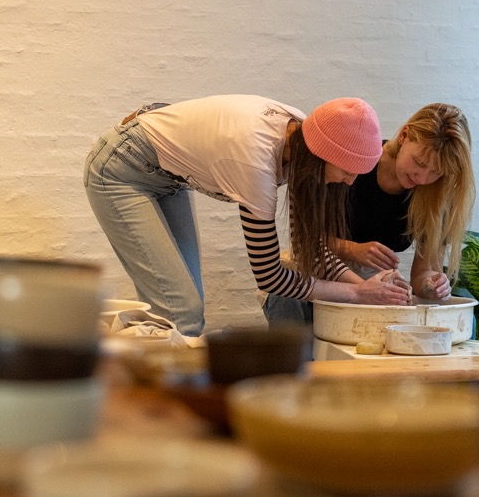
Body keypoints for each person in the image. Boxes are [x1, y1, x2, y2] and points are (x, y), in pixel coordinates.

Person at [84, 94, 412, 336]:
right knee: (181, 312)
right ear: (321, 156)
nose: (350, 182)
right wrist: (357, 293)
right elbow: (270, 276)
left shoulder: (301, 138)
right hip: (120, 170)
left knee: (178, 312)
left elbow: (309, 247)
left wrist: (371, 289)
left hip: (163, 176)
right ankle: (126, 387)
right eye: (346, 171)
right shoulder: (256, 161)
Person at [263, 102, 476, 324]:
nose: (422, 178)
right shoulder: (352, 161)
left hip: (375, 283)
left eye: (436, 173)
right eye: (419, 163)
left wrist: (431, 284)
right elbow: (306, 243)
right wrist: (352, 250)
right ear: (405, 135)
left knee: (460, 321)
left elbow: (421, 274)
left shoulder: (437, 196)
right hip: (315, 270)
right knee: (286, 297)